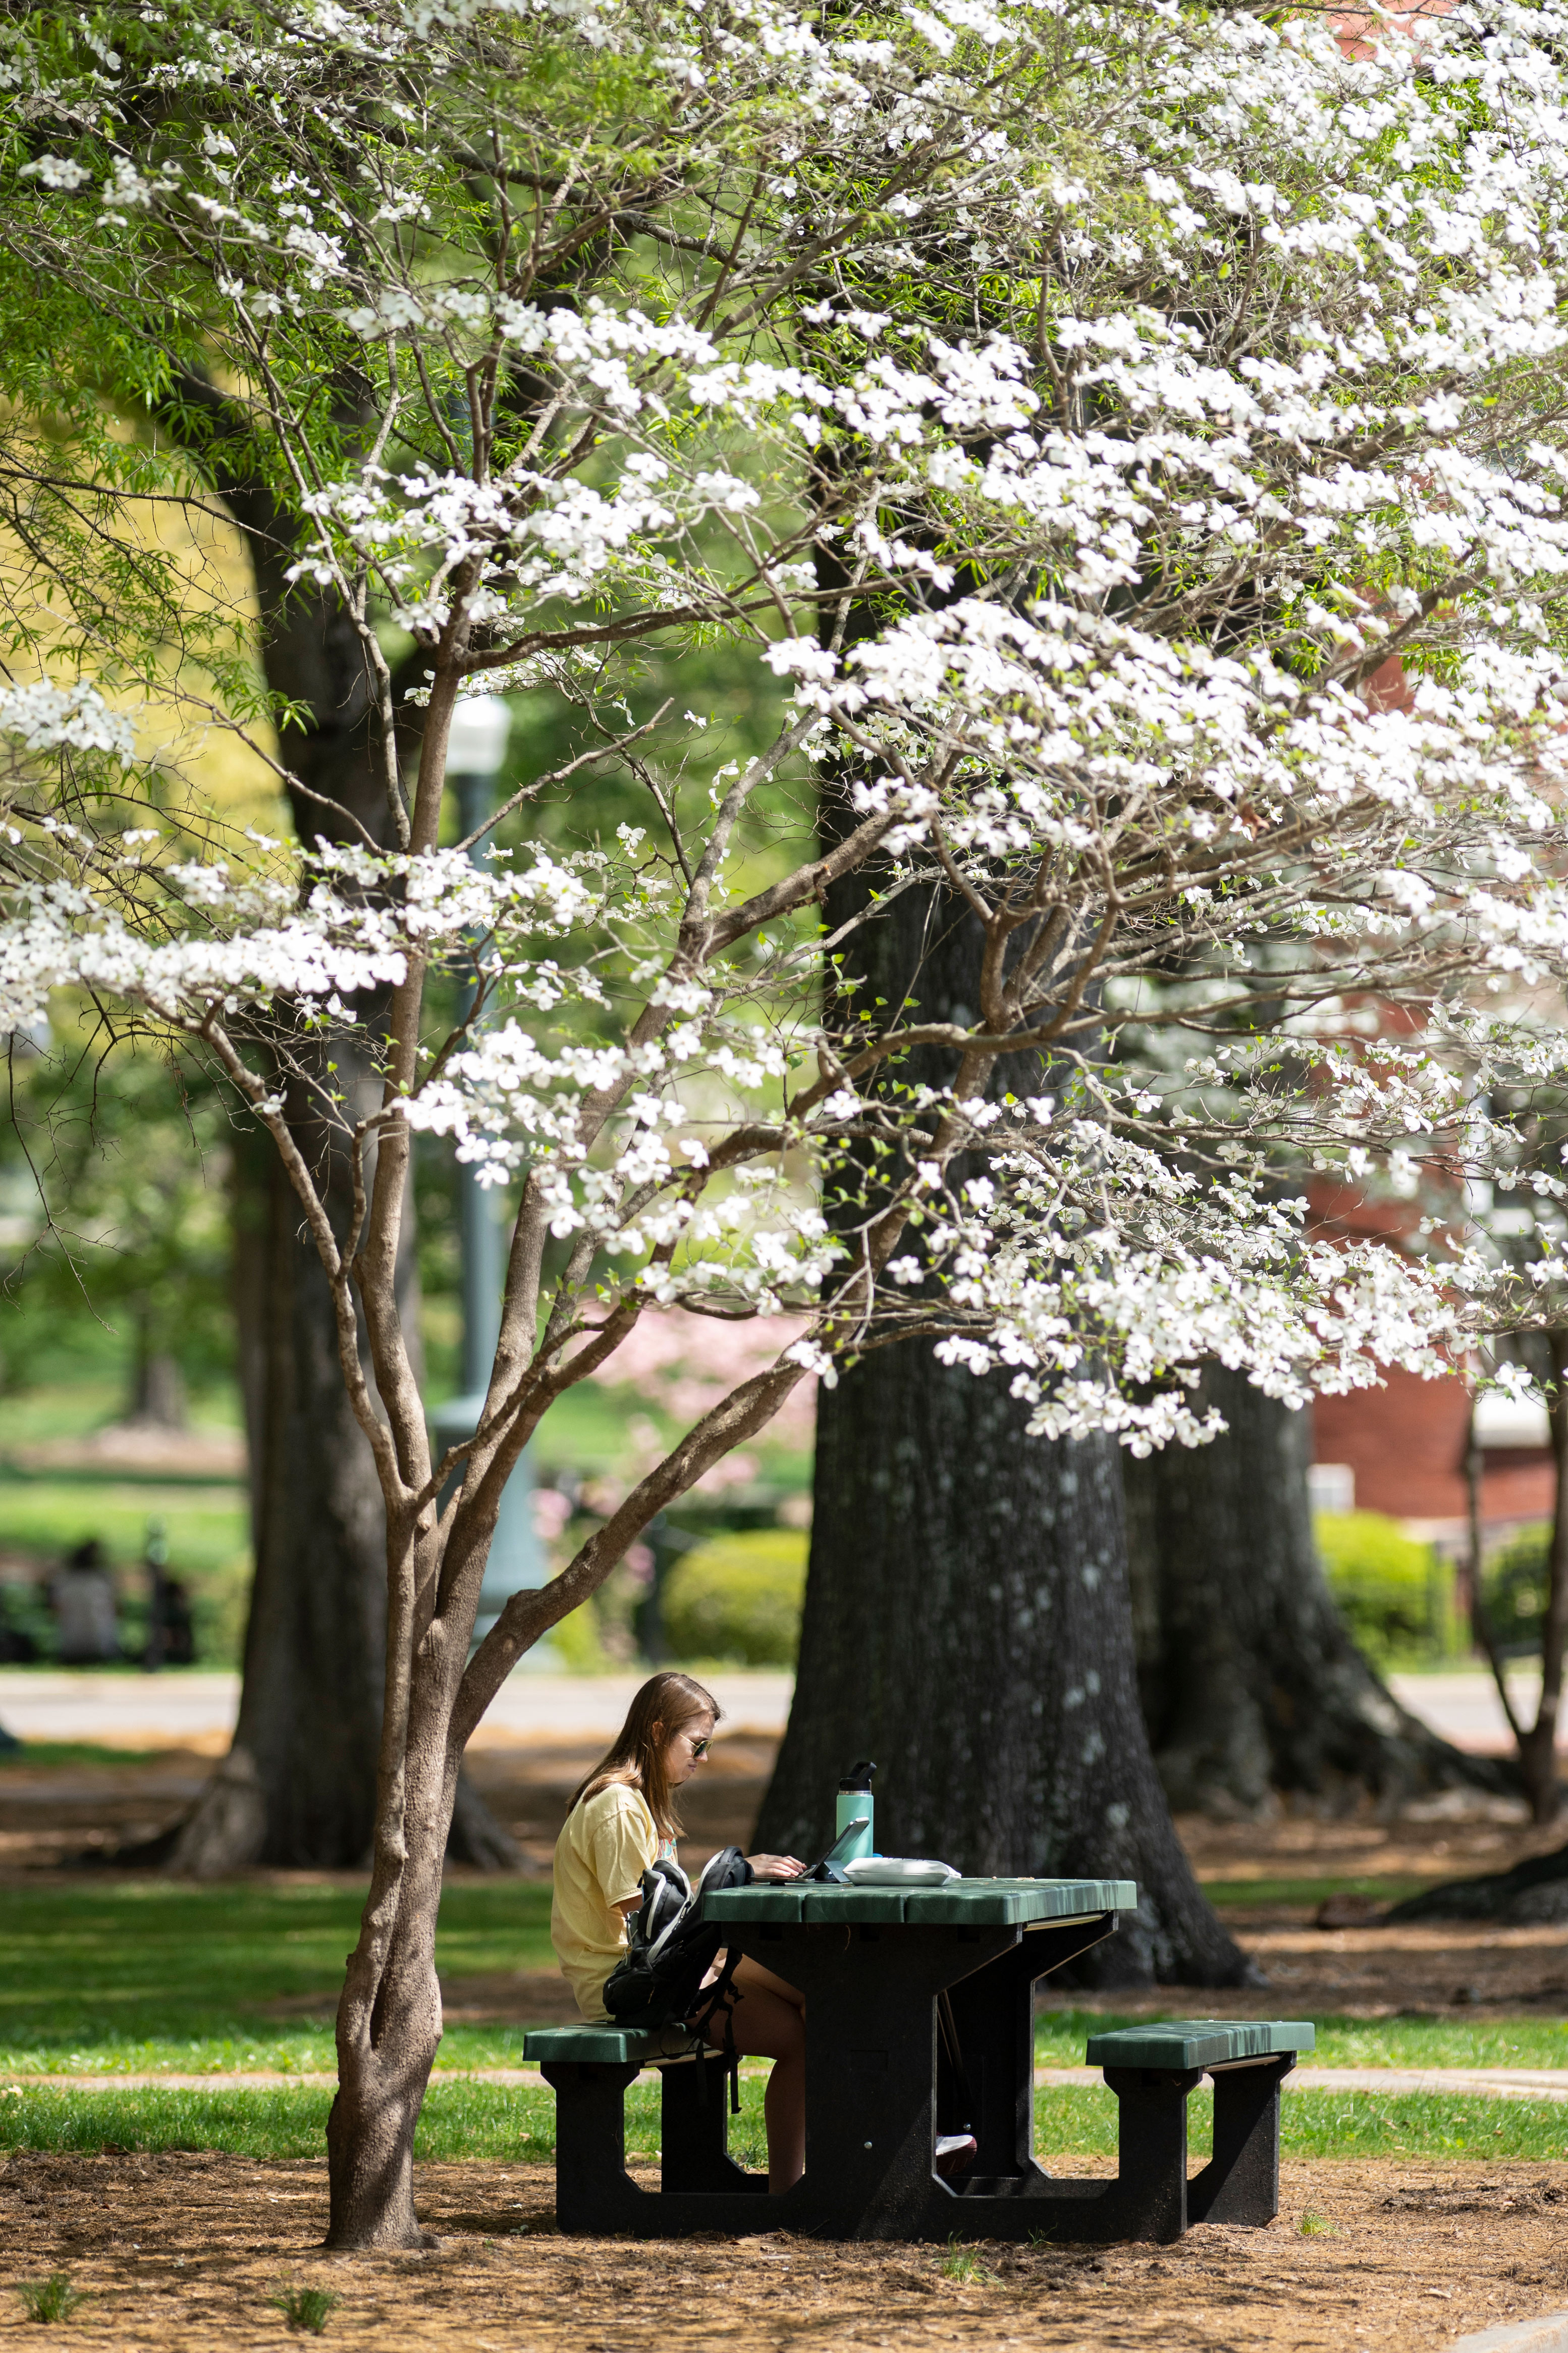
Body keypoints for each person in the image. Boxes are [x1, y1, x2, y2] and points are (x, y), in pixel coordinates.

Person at [551, 1669, 807, 2191]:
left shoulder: (638, 1802)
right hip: (630, 1986)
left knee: (818, 1989)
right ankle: (791, 2192)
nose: (704, 1756)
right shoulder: (618, 1807)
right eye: (697, 1743)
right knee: (805, 2040)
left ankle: (842, 2165)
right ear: (656, 1730)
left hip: (665, 1970)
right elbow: (645, 1919)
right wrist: (737, 1875)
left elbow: (667, 1916)